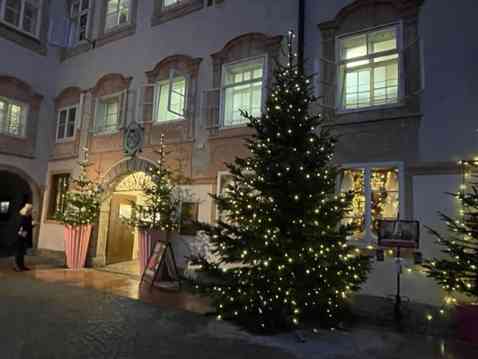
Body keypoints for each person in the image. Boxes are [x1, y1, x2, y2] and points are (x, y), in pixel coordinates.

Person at [14, 203, 34, 272]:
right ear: (27, 210)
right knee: (18, 251)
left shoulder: (29, 216)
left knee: (22, 251)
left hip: (25, 235)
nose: (32, 211)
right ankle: (17, 266)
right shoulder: (22, 216)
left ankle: (22, 266)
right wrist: (31, 225)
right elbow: (22, 226)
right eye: (31, 210)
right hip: (20, 235)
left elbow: (28, 226)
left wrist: (32, 225)